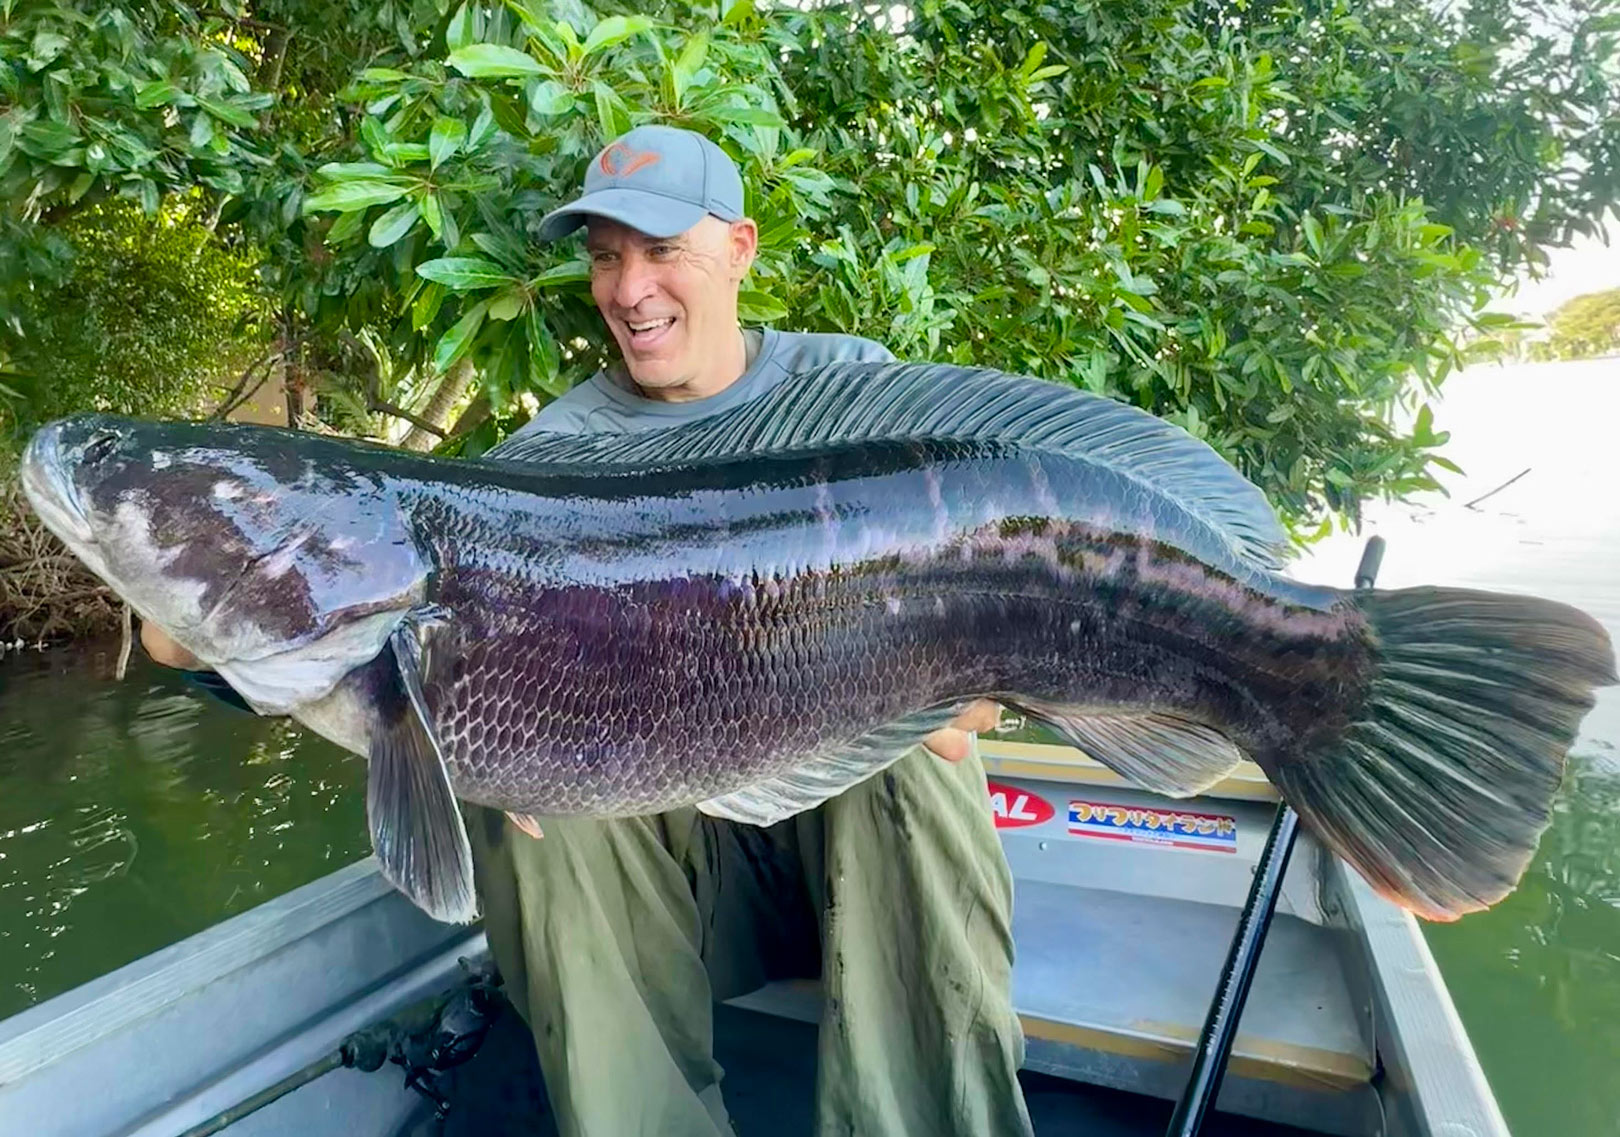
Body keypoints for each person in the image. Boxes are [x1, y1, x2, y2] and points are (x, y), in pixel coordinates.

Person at [141, 124, 1034, 1137]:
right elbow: (386, 650)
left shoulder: (860, 397)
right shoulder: (551, 457)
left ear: (739, 249)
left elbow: (972, 692)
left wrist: (971, 686)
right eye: (606, 255)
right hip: (687, 904)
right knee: (534, 803)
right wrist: (206, 647)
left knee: (921, 749)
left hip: (853, 888)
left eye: (661, 250)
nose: (630, 287)